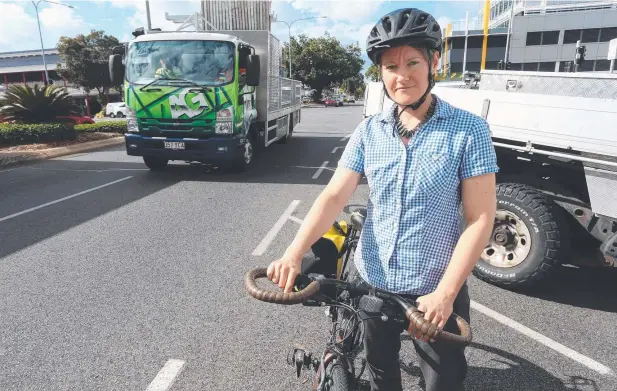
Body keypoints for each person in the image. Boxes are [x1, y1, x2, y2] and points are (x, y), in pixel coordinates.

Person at [266, 7, 499, 391]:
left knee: (444, 383)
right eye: (390, 66)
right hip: (373, 282)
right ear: (381, 73)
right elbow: (333, 195)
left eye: (412, 62)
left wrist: (445, 294)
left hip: (434, 289)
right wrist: (293, 251)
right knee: (381, 376)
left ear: (433, 63)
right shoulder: (369, 131)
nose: (402, 75)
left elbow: (480, 218)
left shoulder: (468, 130)